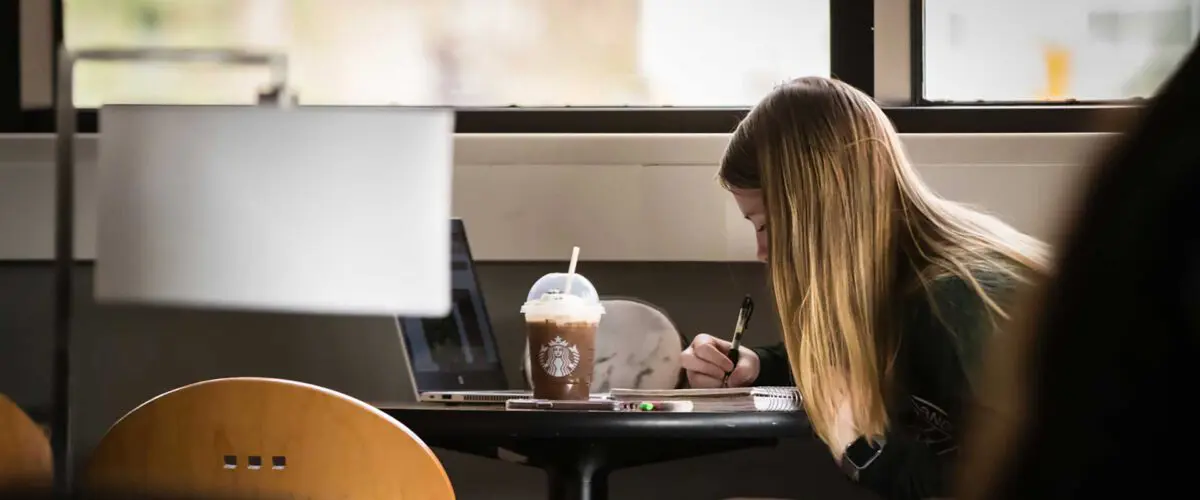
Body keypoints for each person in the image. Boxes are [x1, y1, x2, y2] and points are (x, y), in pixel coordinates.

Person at [680, 76, 1047, 499]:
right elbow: (856, 359)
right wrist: (758, 366)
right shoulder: (898, 286)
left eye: (768, 226)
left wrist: (866, 450)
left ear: (825, 210)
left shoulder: (965, 301)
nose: (763, 251)